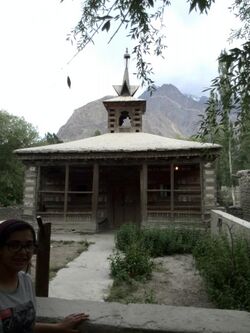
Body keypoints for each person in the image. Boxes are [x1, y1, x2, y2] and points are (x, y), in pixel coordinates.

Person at [0, 219, 89, 332]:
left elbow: (25, 326)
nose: (23, 252)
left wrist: (58, 328)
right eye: (14, 245)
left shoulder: (25, 281)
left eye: (28, 245)